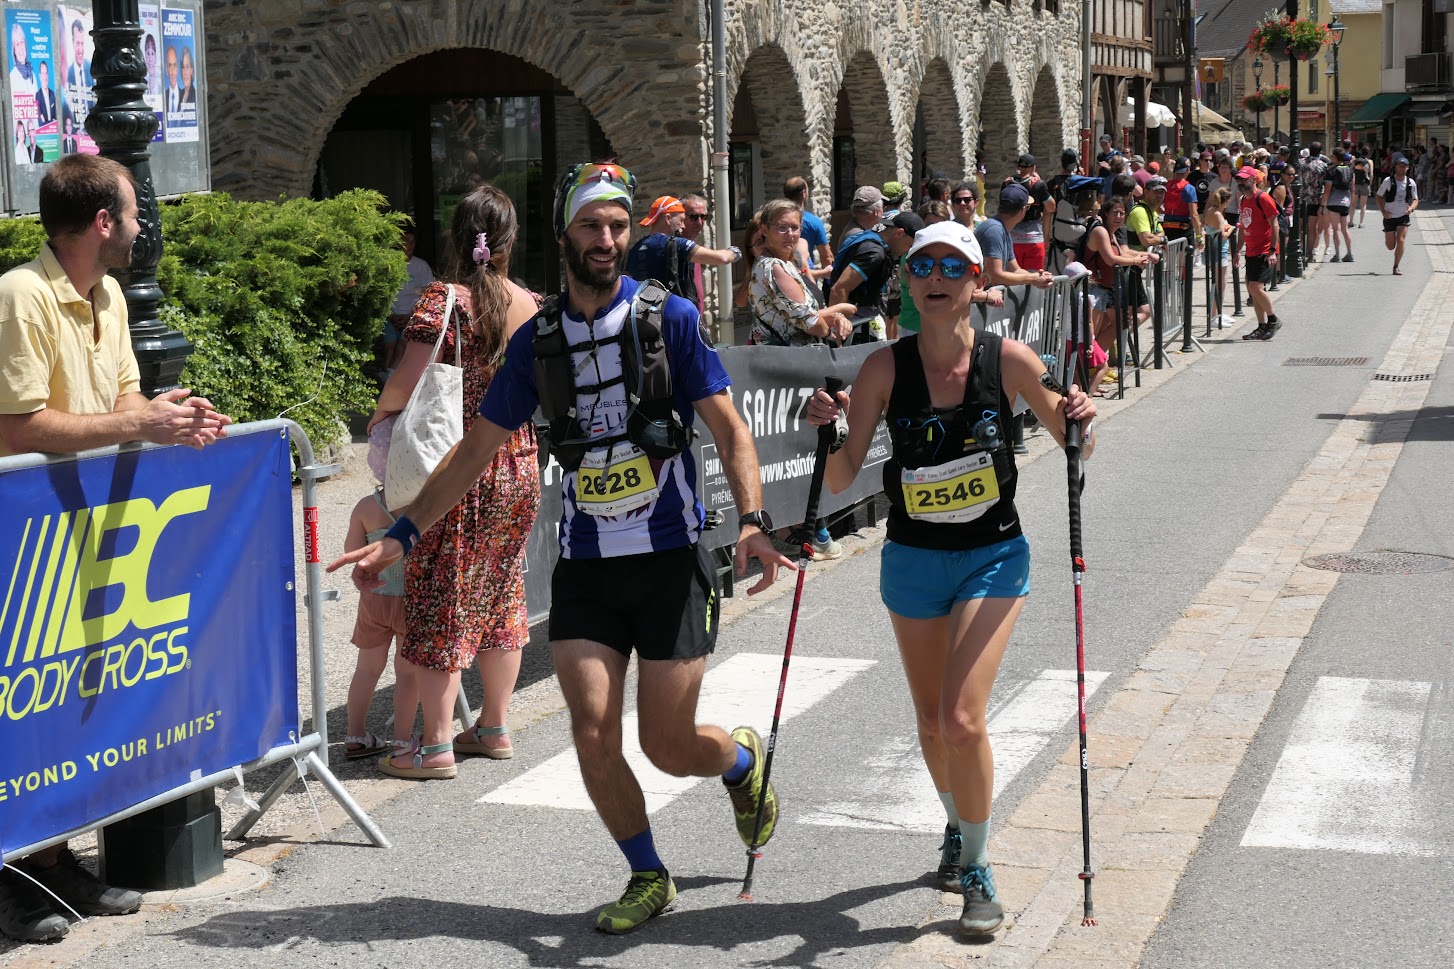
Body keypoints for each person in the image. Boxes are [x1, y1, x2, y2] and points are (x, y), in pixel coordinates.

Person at [329, 161, 792, 935]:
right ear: (564, 234)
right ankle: (648, 873)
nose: (606, 239)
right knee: (592, 729)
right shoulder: (539, 340)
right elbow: (473, 451)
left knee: (669, 744)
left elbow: (730, 429)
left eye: (618, 225)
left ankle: (741, 762)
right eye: (591, 225)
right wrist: (402, 533)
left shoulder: (669, 319)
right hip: (586, 565)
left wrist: (754, 519)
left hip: (669, 559)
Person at [805, 219, 1097, 938]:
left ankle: (978, 865)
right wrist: (829, 430)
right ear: (908, 281)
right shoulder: (883, 369)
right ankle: (958, 826)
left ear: (977, 280)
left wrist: (1083, 419)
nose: (934, 278)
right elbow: (840, 479)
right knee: (933, 722)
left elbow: (1077, 447)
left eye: (951, 266)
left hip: (992, 554)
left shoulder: (1010, 360)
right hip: (912, 559)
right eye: (922, 266)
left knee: (962, 717)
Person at [0, 154, 232, 943]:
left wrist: (165, 415)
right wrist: (138, 422)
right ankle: (15, 873)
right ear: (103, 222)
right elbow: (18, 427)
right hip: (27, 541)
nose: (142, 226)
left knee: (64, 704)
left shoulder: (109, 295)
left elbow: (123, 397)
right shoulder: (20, 295)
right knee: (21, 711)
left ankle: (50, 859)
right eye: (135, 213)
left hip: (85, 533)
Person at [365, 185, 541, 778]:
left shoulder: (444, 300)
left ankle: (436, 745)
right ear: (509, 239)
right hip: (517, 463)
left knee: (442, 596)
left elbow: (407, 378)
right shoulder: (530, 303)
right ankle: (492, 726)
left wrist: (380, 416)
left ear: (456, 237)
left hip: (454, 467)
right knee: (501, 591)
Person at [340, 487, 414, 760]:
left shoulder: (366, 507)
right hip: (412, 600)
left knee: (366, 669)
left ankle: (355, 734)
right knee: (407, 673)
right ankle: (402, 740)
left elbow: (352, 551)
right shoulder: (424, 505)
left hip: (375, 598)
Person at [746, 198, 853, 348]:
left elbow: (793, 315)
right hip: (791, 357)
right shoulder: (774, 267)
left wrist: (836, 316)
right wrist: (831, 337)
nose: (790, 234)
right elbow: (808, 320)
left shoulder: (780, 264)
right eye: (782, 227)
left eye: (795, 227)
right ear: (764, 230)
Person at [625, 195, 741, 311]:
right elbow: (722, 258)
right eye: (681, 220)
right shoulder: (676, 244)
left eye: (704, 217)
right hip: (676, 315)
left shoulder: (635, 249)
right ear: (668, 219)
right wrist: (734, 252)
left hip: (647, 316)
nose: (683, 225)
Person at [827, 185, 897, 343]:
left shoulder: (857, 231)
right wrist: (839, 331)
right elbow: (840, 288)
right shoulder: (863, 240)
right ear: (876, 211)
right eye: (883, 207)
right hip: (858, 321)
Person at [973, 183, 1054, 291]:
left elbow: (1014, 270)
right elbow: (995, 276)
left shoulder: (1002, 229)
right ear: (1023, 210)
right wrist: (1032, 278)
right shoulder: (994, 230)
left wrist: (1039, 277)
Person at [1235, 165, 1282, 340]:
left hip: (1264, 250)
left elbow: (1275, 225)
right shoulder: (1243, 200)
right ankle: (1261, 326)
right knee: (1253, 290)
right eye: (1238, 179)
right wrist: (1238, 250)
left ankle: (1273, 320)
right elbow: (1243, 227)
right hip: (1251, 250)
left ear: (1253, 179)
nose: (1240, 182)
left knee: (1255, 287)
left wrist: (1272, 250)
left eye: (1243, 179)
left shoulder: (1263, 198)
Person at [382, 227, 435, 374]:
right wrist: (391, 315)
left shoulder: (421, 266)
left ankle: (388, 376)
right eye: (406, 241)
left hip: (412, 315)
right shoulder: (389, 265)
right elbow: (383, 293)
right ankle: (385, 374)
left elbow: (428, 293)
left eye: (412, 241)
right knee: (389, 346)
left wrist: (411, 315)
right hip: (391, 314)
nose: (410, 245)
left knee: (403, 344)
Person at [1008, 153, 1054, 273]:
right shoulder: (1038, 185)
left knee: (1014, 277)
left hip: (1013, 239)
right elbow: (1051, 207)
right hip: (1034, 240)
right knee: (1034, 277)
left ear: (1018, 167)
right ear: (1033, 168)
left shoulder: (1007, 183)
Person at [1376, 154, 1418, 276]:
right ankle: (1389, 239)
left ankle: (1396, 266)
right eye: (1399, 166)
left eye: (1404, 166)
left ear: (1407, 168)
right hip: (1389, 216)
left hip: (1403, 215)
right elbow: (1378, 196)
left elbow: (1415, 199)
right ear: (1395, 167)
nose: (1401, 168)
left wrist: (1411, 208)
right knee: (1390, 246)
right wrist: (1383, 212)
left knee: (1401, 240)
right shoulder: (1388, 181)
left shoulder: (1411, 183)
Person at [784, 176, 832, 274]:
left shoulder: (777, 219)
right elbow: (826, 256)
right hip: (805, 273)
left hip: (782, 271)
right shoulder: (813, 222)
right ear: (804, 193)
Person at [1203, 187, 1235, 327]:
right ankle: (1214, 316)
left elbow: (1217, 229)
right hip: (1218, 252)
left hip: (1215, 251)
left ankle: (1217, 313)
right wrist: (1231, 229)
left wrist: (1226, 227)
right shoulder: (1217, 214)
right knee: (1219, 284)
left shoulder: (1212, 211)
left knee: (1220, 283)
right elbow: (1222, 236)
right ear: (1227, 200)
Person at [1322, 148, 1354, 263]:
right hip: (1345, 201)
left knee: (1336, 229)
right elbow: (1352, 188)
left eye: (1332, 156)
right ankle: (1349, 253)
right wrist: (1350, 202)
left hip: (1333, 202)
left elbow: (1327, 190)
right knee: (1345, 229)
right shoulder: (1349, 170)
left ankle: (1337, 254)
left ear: (1335, 157)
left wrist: (1322, 204)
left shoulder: (1331, 171)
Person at [1352, 147, 1374, 227]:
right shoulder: (1369, 161)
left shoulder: (1356, 161)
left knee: (1353, 204)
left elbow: (1351, 170)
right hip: (1364, 184)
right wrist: (1370, 183)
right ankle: (1361, 223)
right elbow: (1371, 174)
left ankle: (1351, 221)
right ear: (1369, 153)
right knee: (1363, 204)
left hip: (1355, 183)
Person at [35, 61, 57, 128]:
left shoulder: (52, 94)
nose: (45, 76)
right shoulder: (37, 96)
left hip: (54, 132)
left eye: (46, 73)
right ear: (40, 76)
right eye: (43, 73)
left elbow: (57, 117)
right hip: (43, 132)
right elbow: (41, 123)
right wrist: (52, 121)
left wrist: (53, 121)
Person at [163, 44, 180, 115]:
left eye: (174, 65)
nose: (173, 72)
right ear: (166, 70)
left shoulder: (185, 96)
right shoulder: (163, 97)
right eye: (170, 66)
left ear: (177, 68)